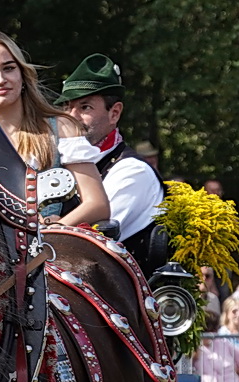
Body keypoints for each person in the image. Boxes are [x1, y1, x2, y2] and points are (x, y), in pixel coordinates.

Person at [0, 31, 110, 225]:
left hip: (50, 249)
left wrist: (54, 229)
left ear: (22, 74)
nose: (0, 79)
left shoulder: (61, 128)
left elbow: (97, 204)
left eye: (8, 68)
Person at [55, 54, 165, 261]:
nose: (72, 116)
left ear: (114, 113)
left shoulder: (132, 171)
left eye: (85, 107)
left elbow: (82, 244)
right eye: (67, 107)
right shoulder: (56, 164)